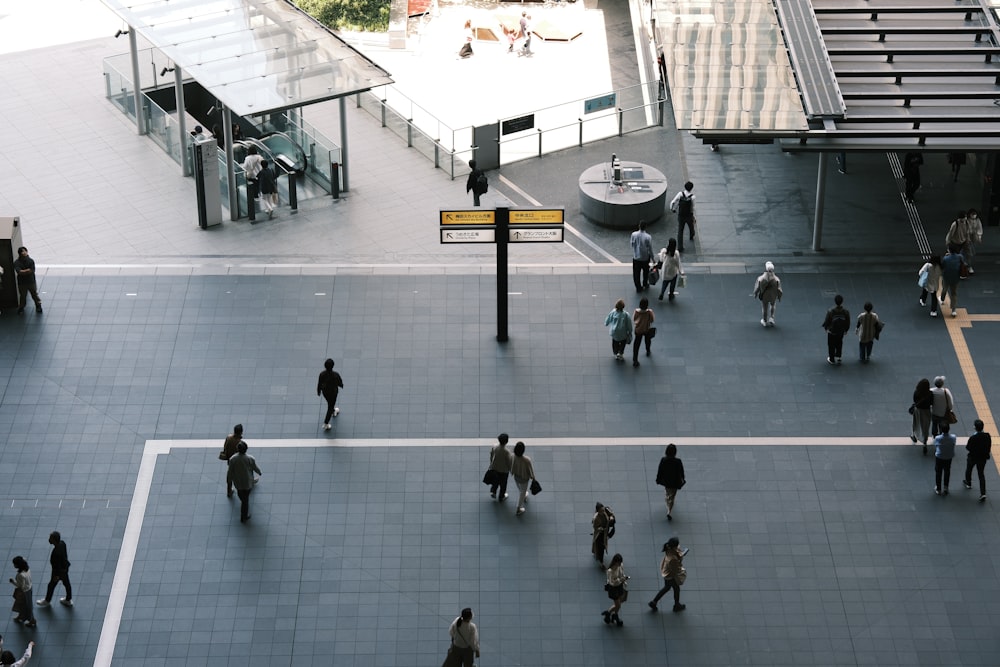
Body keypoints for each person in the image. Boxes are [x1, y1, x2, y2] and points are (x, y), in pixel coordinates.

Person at [227, 441, 262, 523]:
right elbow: (254, 467)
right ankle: (244, 516)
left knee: (241, 495)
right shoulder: (250, 458)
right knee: (245, 500)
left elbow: (230, 471)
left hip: (238, 482)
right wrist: (259, 472)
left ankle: (244, 510)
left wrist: (229, 480)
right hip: (247, 482)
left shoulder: (233, 459)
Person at [648, 537, 686, 612]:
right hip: (671, 575)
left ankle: (654, 602)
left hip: (667, 573)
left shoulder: (669, 548)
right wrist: (681, 559)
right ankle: (676, 605)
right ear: (674, 546)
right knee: (676, 589)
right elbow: (677, 568)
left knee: (667, 587)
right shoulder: (673, 558)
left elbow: (677, 551)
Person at [35, 532, 72, 608]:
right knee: (67, 584)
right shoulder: (62, 543)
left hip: (58, 573)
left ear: (54, 540)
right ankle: (68, 600)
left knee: (51, 585)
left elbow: (56, 566)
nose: (49, 539)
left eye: (51, 538)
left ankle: (47, 600)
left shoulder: (56, 553)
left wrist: (56, 576)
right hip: (64, 569)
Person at [655, 443, 685, 520]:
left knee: (668, 492)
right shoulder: (678, 461)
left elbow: (660, 470)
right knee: (673, 495)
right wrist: (683, 479)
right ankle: (669, 510)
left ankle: (668, 500)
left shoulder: (663, 460)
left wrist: (658, 479)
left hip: (666, 481)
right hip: (675, 482)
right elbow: (681, 472)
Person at [963, 419, 991, 501]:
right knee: (981, 474)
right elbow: (988, 447)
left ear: (975, 428)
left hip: (973, 457)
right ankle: (983, 493)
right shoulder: (987, 436)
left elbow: (968, 447)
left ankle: (968, 482)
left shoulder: (973, 438)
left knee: (969, 469)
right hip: (982, 458)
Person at [821, 294, 850, 365]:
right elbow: (848, 321)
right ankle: (838, 356)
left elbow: (827, 321)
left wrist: (826, 328)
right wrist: (846, 330)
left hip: (832, 331)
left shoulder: (831, 311)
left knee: (831, 345)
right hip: (841, 331)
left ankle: (832, 359)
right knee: (839, 343)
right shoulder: (846, 311)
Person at [602, 553, 629, 627]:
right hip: (613, 589)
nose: (620, 563)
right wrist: (621, 580)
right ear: (615, 561)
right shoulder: (610, 571)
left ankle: (610, 614)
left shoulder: (620, 566)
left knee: (619, 603)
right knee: (618, 605)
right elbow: (612, 582)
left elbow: (622, 574)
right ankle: (613, 615)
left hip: (619, 586)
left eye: (620, 562)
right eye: (619, 562)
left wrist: (623, 580)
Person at [12, 247, 42, 315]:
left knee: (34, 294)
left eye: (25, 251)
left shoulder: (30, 261)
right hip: (23, 283)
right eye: (22, 251)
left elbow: (31, 270)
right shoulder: (17, 262)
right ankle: (22, 307)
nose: (24, 253)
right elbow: (19, 271)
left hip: (30, 281)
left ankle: (38, 305)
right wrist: (27, 271)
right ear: (20, 253)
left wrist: (23, 272)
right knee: (23, 296)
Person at [317, 358, 344, 430]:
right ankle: (326, 423)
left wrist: (319, 391)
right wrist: (341, 385)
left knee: (330, 403)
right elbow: (339, 383)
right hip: (333, 393)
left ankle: (333, 411)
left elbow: (319, 383)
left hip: (325, 392)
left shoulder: (322, 374)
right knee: (330, 406)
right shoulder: (335, 375)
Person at [752, 261, 782, 327]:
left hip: (764, 296)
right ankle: (771, 318)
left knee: (764, 308)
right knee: (773, 305)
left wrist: (755, 294)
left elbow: (757, 287)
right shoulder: (777, 279)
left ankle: (764, 321)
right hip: (773, 296)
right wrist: (779, 297)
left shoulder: (761, 278)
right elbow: (779, 289)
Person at [510, 441, 536, 516]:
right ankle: (518, 508)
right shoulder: (527, 460)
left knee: (520, 489)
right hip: (524, 478)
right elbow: (530, 470)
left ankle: (524, 495)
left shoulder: (512, 456)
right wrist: (533, 478)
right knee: (522, 492)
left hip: (516, 477)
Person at [670, 181, 696, 253]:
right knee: (691, 226)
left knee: (680, 230)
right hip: (689, 215)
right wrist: (693, 215)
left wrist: (672, 209)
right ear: (691, 188)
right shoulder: (693, 197)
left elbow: (673, 202)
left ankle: (680, 247)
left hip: (681, 215)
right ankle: (692, 234)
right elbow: (692, 208)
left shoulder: (680, 194)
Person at [9, 557, 35, 627]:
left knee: (25, 606)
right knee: (25, 605)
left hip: (24, 592)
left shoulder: (20, 575)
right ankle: (21, 616)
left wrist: (13, 581)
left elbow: (20, 585)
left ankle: (31, 620)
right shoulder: (27, 569)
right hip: (29, 588)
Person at [910, 379, 933, 455]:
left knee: (915, 423)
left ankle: (914, 435)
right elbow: (931, 402)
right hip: (926, 411)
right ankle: (925, 442)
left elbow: (914, 401)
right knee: (925, 426)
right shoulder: (930, 393)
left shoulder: (917, 392)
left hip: (918, 410)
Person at [488, 433, 513, 501]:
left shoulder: (495, 447)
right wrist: (511, 470)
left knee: (495, 481)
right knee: (503, 484)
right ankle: (501, 496)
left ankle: (493, 491)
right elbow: (509, 462)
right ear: (506, 441)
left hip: (495, 468)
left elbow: (491, 455)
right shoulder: (507, 452)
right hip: (504, 471)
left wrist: (491, 463)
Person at [630, 221, 654, 291]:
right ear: (645, 227)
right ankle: (645, 283)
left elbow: (632, 244)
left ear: (639, 226)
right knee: (646, 272)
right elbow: (650, 249)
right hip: (645, 257)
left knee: (636, 273)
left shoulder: (633, 234)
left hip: (636, 257)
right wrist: (653, 258)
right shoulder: (648, 237)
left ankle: (638, 287)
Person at [940, 249, 964, 317]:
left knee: (944, 289)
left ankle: (942, 299)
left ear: (949, 250)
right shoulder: (960, 257)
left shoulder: (946, 258)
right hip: (956, 278)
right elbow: (963, 263)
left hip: (946, 277)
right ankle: (953, 310)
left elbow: (942, 266)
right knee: (954, 293)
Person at [934, 422, 956, 496]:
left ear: (941, 429)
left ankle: (938, 489)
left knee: (938, 472)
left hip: (940, 456)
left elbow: (936, 445)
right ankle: (946, 487)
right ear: (949, 429)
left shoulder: (938, 438)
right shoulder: (953, 437)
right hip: (949, 456)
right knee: (947, 471)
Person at [631, 297, 655, 367]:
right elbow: (652, 320)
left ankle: (635, 360)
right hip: (646, 329)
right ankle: (648, 350)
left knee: (636, 345)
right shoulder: (649, 312)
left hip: (638, 330)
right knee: (647, 340)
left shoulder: (636, 311)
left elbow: (634, 319)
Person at [221, 424, 243, 497]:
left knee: (230, 476)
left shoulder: (229, 437)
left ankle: (229, 491)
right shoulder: (239, 442)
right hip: (237, 461)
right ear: (241, 432)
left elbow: (225, 447)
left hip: (229, 460)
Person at [591, 502, 615, 568]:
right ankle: (601, 562)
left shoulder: (606, 510)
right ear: (598, 511)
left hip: (606, 532)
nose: (603, 511)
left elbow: (611, 514)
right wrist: (599, 528)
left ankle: (598, 553)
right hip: (600, 534)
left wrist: (611, 517)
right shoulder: (596, 518)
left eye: (603, 510)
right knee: (601, 548)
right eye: (601, 511)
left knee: (603, 545)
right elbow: (595, 527)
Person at [964, 208, 982, 275]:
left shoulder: (977, 220)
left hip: (973, 236)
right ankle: (968, 266)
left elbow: (979, 228)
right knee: (969, 252)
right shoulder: (967, 221)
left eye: (975, 214)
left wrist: (979, 236)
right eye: (972, 214)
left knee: (971, 251)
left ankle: (966, 263)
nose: (974, 216)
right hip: (967, 237)